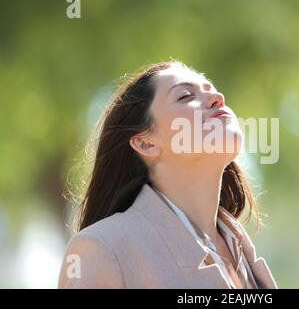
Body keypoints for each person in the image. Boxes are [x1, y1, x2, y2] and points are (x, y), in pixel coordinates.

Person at [58, 60, 277, 288]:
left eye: (211, 89)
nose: (217, 98)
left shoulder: (239, 251)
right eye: (185, 96)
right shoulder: (103, 250)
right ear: (146, 143)